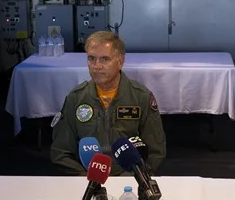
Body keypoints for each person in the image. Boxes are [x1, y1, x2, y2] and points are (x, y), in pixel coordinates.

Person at [50, 31, 166, 175]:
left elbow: (156, 152)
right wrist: (86, 179)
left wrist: (133, 178)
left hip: (130, 180)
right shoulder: (76, 98)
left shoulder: (140, 97)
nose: (96, 66)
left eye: (105, 59)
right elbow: (61, 152)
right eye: (91, 58)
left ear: (120, 62)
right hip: (86, 180)